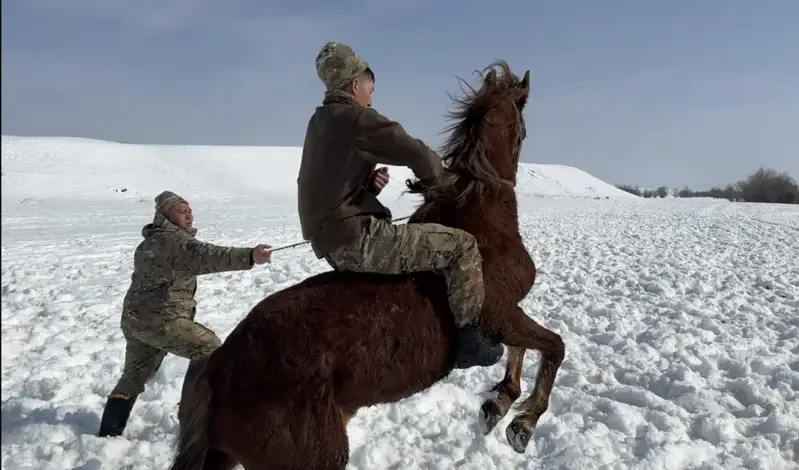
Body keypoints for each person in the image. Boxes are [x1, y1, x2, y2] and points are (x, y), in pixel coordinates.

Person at [297, 41, 503, 370]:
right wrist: (441, 184)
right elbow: (416, 152)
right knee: (462, 246)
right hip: (357, 239)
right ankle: (469, 341)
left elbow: (323, 182)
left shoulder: (320, 121)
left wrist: (364, 187)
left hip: (330, 240)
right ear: (354, 85)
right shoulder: (355, 117)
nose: (371, 97)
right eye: (370, 89)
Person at [97, 190, 273, 438]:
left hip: (136, 320)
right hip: (161, 320)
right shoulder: (173, 243)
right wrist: (249, 256)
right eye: (182, 211)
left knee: (132, 378)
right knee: (209, 348)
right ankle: (193, 417)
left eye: (190, 211)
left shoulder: (151, 241)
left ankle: (108, 435)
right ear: (165, 215)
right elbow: (205, 256)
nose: (189, 215)